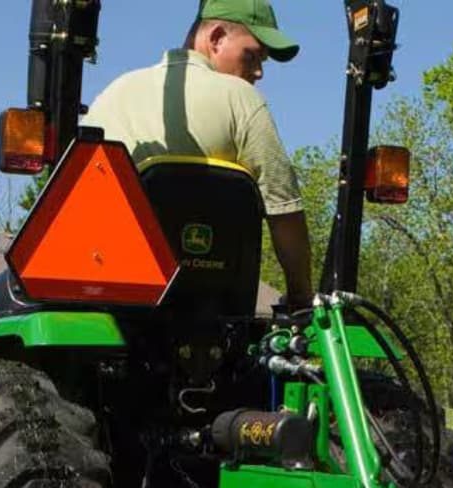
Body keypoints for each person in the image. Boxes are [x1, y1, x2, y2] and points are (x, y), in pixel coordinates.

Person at [84, 1, 313, 309]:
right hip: (215, 309)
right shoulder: (241, 98)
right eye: (253, 55)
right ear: (216, 38)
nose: (258, 72)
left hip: (111, 298)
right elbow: (284, 212)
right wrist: (301, 297)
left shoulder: (112, 95)